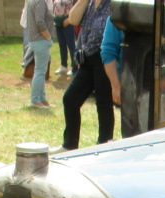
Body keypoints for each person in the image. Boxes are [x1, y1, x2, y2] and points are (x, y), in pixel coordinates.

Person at [59, 0, 114, 150]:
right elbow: (73, 19)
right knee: (70, 99)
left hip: (105, 58)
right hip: (87, 58)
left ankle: (104, 146)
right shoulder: (89, 3)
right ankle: (69, 145)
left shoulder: (112, 4)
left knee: (104, 104)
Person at [25, 0, 54, 108]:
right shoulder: (39, 2)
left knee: (41, 71)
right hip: (40, 41)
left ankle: (42, 99)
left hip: (36, 41)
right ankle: (36, 100)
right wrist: (48, 37)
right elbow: (40, 22)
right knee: (40, 71)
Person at [53, 0, 76, 75]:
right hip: (58, 21)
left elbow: (76, 7)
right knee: (62, 44)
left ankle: (74, 67)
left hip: (68, 21)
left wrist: (69, 20)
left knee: (71, 45)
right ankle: (63, 65)